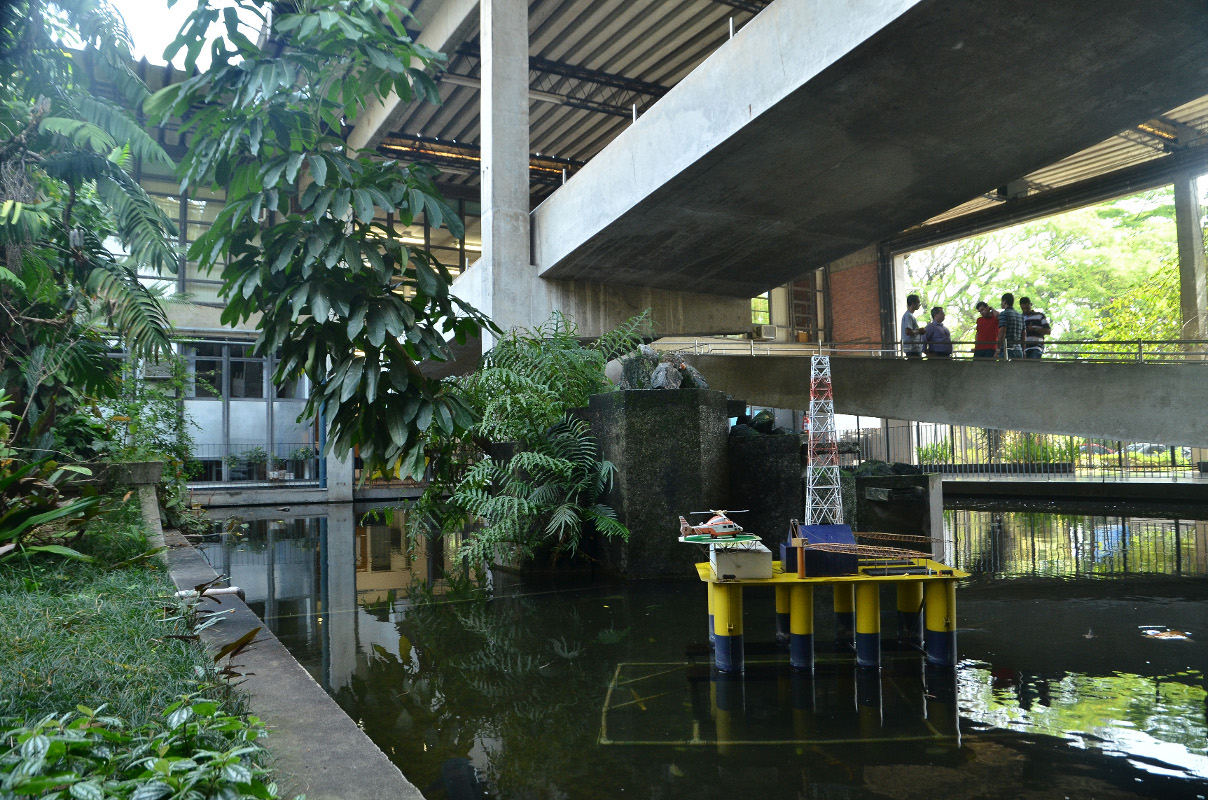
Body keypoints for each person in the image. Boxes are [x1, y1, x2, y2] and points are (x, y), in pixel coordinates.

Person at [998, 292, 1024, 359]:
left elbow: (1003, 330)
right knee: (1017, 369)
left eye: (1002, 301)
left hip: (1007, 349)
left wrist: (998, 347)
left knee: (1004, 369)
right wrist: (1023, 350)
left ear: (1005, 301)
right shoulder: (1020, 316)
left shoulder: (1004, 314)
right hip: (1018, 349)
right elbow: (1024, 334)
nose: (1001, 303)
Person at [900, 294, 925, 358]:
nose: (919, 305)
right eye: (918, 303)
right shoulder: (909, 316)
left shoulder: (909, 315)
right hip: (912, 348)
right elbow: (908, 332)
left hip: (913, 348)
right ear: (913, 303)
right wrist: (919, 331)